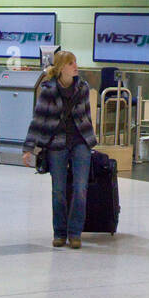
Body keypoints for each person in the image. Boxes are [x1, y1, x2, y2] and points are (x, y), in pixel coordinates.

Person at [22, 50, 97, 248]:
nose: (75, 66)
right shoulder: (48, 89)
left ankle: (75, 234)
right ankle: (60, 232)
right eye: (71, 63)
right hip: (57, 142)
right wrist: (29, 147)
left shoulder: (82, 87)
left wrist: (91, 140)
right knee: (59, 190)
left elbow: (86, 116)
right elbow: (38, 119)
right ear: (61, 67)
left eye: (75, 62)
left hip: (81, 141)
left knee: (80, 189)